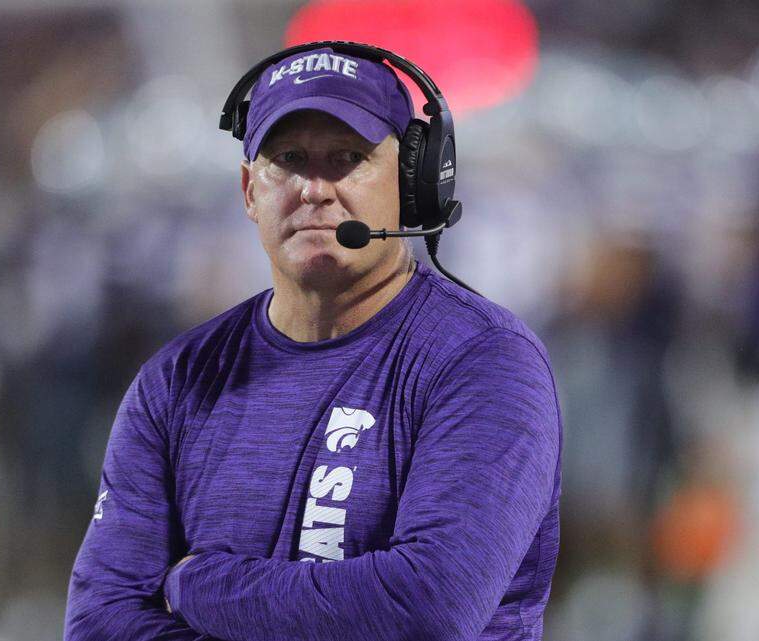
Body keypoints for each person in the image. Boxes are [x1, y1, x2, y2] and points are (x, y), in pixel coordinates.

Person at [64, 43, 563, 641]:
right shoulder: (175, 383)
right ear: (249, 190)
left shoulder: (484, 363)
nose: (314, 189)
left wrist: (197, 584)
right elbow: (100, 623)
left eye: (348, 158)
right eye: (289, 159)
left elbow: (426, 606)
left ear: (411, 182)